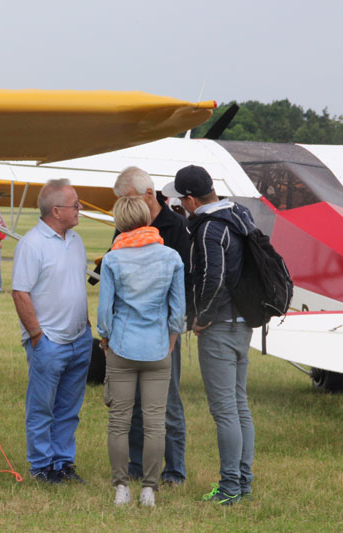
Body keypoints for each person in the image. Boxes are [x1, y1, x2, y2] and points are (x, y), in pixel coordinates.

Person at [162, 165, 256, 506]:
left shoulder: (208, 228)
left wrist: (201, 317)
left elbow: (212, 279)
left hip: (220, 327)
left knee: (225, 411)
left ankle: (229, 486)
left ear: (190, 200)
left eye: (180, 200)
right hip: (243, 322)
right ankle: (243, 481)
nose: (180, 206)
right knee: (239, 406)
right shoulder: (240, 215)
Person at [97, 196, 185, 507]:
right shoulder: (171, 257)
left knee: (119, 422)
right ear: (147, 218)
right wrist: (171, 341)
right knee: (155, 422)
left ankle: (121, 486)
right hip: (158, 347)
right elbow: (178, 312)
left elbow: (105, 313)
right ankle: (149, 488)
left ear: (120, 222)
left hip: (122, 345)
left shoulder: (113, 259)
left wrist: (105, 340)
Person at [111, 166, 190, 487]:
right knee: (132, 403)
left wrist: (174, 332)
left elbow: (184, 281)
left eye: (126, 198)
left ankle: (174, 470)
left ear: (147, 194)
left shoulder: (176, 226)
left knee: (168, 402)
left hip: (163, 331)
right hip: (129, 330)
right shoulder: (122, 229)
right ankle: (135, 464)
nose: (123, 206)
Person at [11, 178, 92, 484]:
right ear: (56, 211)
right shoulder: (31, 244)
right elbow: (20, 293)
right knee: (42, 407)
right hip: (49, 342)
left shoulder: (76, 240)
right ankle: (42, 466)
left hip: (79, 339)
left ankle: (63, 463)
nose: (79, 208)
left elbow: (75, 285)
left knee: (69, 408)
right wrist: (37, 336)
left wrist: (85, 325)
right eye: (75, 205)